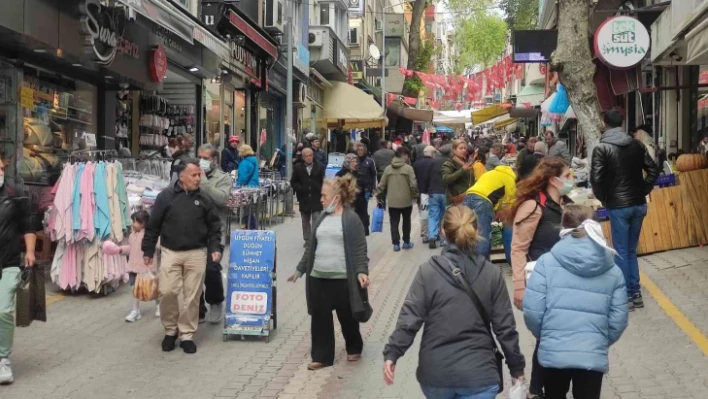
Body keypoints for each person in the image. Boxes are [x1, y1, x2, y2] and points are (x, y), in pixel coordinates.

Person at [383, 205, 526, 399]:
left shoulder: (428, 272)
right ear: (477, 231)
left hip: (436, 376)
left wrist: (392, 354)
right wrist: (517, 370)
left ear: (443, 232)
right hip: (479, 376)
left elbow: (410, 319)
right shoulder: (492, 274)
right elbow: (505, 328)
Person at [523, 205, 628, 399]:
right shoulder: (613, 270)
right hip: (591, 354)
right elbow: (618, 319)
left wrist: (547, 336)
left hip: (554, 354)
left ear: (563, 228)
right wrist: (599, 340)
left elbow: (532, 311)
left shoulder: (546, 263)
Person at [287, 175, 370, 370]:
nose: (321, 199)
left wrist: (361, 272)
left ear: (337, 198)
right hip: (318, 278)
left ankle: (354, 346)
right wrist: (300, 270)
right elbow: (311, 248)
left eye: (324, 195)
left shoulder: (351, 219)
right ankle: (322, 356)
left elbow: (360, 249)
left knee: (347, 317)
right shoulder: (321, 218)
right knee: (320, 319)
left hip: (342, 279)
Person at [142, 160, 223, 354]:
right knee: (167, 292)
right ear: (182, 177)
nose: (198, 178)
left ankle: (186, 334)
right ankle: (170, 331)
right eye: (194, 175)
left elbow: (214, 226)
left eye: (199, 175)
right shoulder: (166, 197)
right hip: (171, 252)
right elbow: (153, 225)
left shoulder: (204, 198)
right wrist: (148, 250)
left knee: (192, 297)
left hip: (197, 253)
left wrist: (215, 248)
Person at [506, 156, 571, 398]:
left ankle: (539, 389)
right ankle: (538, 390)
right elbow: (518, 248)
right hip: (542, 285)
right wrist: (519, 287)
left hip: (566, 284)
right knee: (547, 337)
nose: (571, 180)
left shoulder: (564, 203)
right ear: (553, 180)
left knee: (553, 338)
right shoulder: (533, 207)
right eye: (568, 176)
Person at [590, 109, 659, 310]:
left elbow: (596, 179)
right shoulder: (636, 145)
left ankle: (628, 295)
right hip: (638, 204)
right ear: (622, 122)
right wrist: (643, 189)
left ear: (604, 123)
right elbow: (653, 169)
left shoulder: (602, 148)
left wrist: (604, 198)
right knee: (630, 250)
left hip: (619, 206)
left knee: (621, 251)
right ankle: (635, 293)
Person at [0, 157, 36, 384]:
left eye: (2, 168)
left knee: (3, 311)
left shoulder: (13, 194)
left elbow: (28, 225)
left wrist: (30, 251)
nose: (0, 172)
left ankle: (3, 359)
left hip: (8, 262)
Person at [196, 144, 232, 324]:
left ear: (215, 161)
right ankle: (198, 306)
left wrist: (203, 182)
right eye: (199, 157)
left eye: (206, 158)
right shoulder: (190, 174)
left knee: (211, 268)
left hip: (214, 232)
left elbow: (221, 199)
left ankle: (216, 301)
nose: (201, 161)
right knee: (194, 269)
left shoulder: (223, 178)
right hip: (194, 229)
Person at [463, 164, 517, 259]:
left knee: (468, 232)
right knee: (483, 235)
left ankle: (468, 260)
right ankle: (482, 264)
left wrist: (494, 209)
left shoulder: (490, 173)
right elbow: (510, 203)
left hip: (468, 196)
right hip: (482, 200)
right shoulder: (510, 179)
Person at [377, 147, 419, 251]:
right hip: (406, 201)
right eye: (407, 156)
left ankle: (396, 244)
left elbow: (381, 185)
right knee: (406, 221)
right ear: (404, 156)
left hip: (392, 201)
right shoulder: (408, 168)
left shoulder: (388, 169)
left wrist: (379, 196)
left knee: (394, 222)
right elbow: (413, 184)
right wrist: (415, 195)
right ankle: (406, 242)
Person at [121, 211, 160, 322]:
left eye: (134, 221)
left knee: (153, 289)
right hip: (134, 268)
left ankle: (158, 305)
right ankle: (135, 310)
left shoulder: (150, 236)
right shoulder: (132, 236)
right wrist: (120, 250)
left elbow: (159, 244)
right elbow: (131, 249)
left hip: (147, 269)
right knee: (135, 290)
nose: (132, 224)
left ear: (143, 223)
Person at [291, 148, 325, 247]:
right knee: (305, 220)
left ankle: (315, 239)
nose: (309, 157)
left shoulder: (320, 166)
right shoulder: (298, 167)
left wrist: (323, 191)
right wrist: (301, 188)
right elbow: (293, 182)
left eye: (310, 155)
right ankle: (307, 239)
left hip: (316, 197)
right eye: (306, 156)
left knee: (316, 219)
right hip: (304, 198)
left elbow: (324, 180)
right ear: (303, 157)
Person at [336, 154, 370, 235]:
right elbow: (337, 189)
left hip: (360, 204)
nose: (355, 163)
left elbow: (365, 187)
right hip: (347, 204)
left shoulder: (360, 174)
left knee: (361, 228)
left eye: (356, 161)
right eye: (353, 161)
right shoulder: (340, 174)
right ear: (348, 162)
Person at [426, 147, 448, 249]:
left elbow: (427, 177)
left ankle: (432, 236)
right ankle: (443, 239)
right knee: (445, 216)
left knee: (433, 214)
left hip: (433, 191)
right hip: (446, 192)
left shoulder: (432, 162)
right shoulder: (450, 162)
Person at [413, 146, 436, 244]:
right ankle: (433, 233)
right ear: (433, 153)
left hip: (420, 193)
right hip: (432, 192)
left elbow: (413, 179)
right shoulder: (434, 163)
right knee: (434, 213)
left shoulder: (416, 163)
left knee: (423, 214)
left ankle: (424, 234)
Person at [442, 140, 474, 205]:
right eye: (461, 148)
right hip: (456, 199)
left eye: (465, 148)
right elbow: (446, 179)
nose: (464, 150)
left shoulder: (466, 162)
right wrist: (462, 170)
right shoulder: (449, 163)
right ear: (454, 150)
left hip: (468, 198)